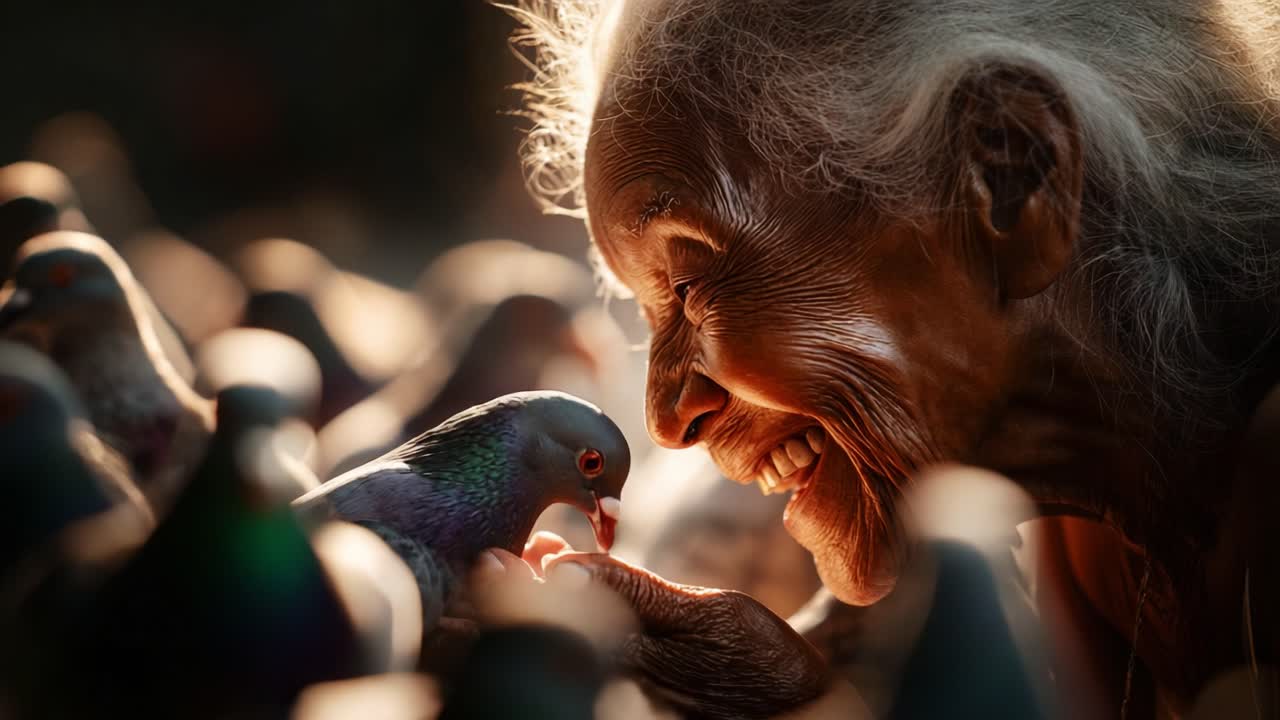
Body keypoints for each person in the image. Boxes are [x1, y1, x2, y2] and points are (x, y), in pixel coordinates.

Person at [496, 1, 1280, 717]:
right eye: (648, 316)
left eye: (692, 284)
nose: (667, 422)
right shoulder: (1084, 528)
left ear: (1008, 177)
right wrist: (798, 688)